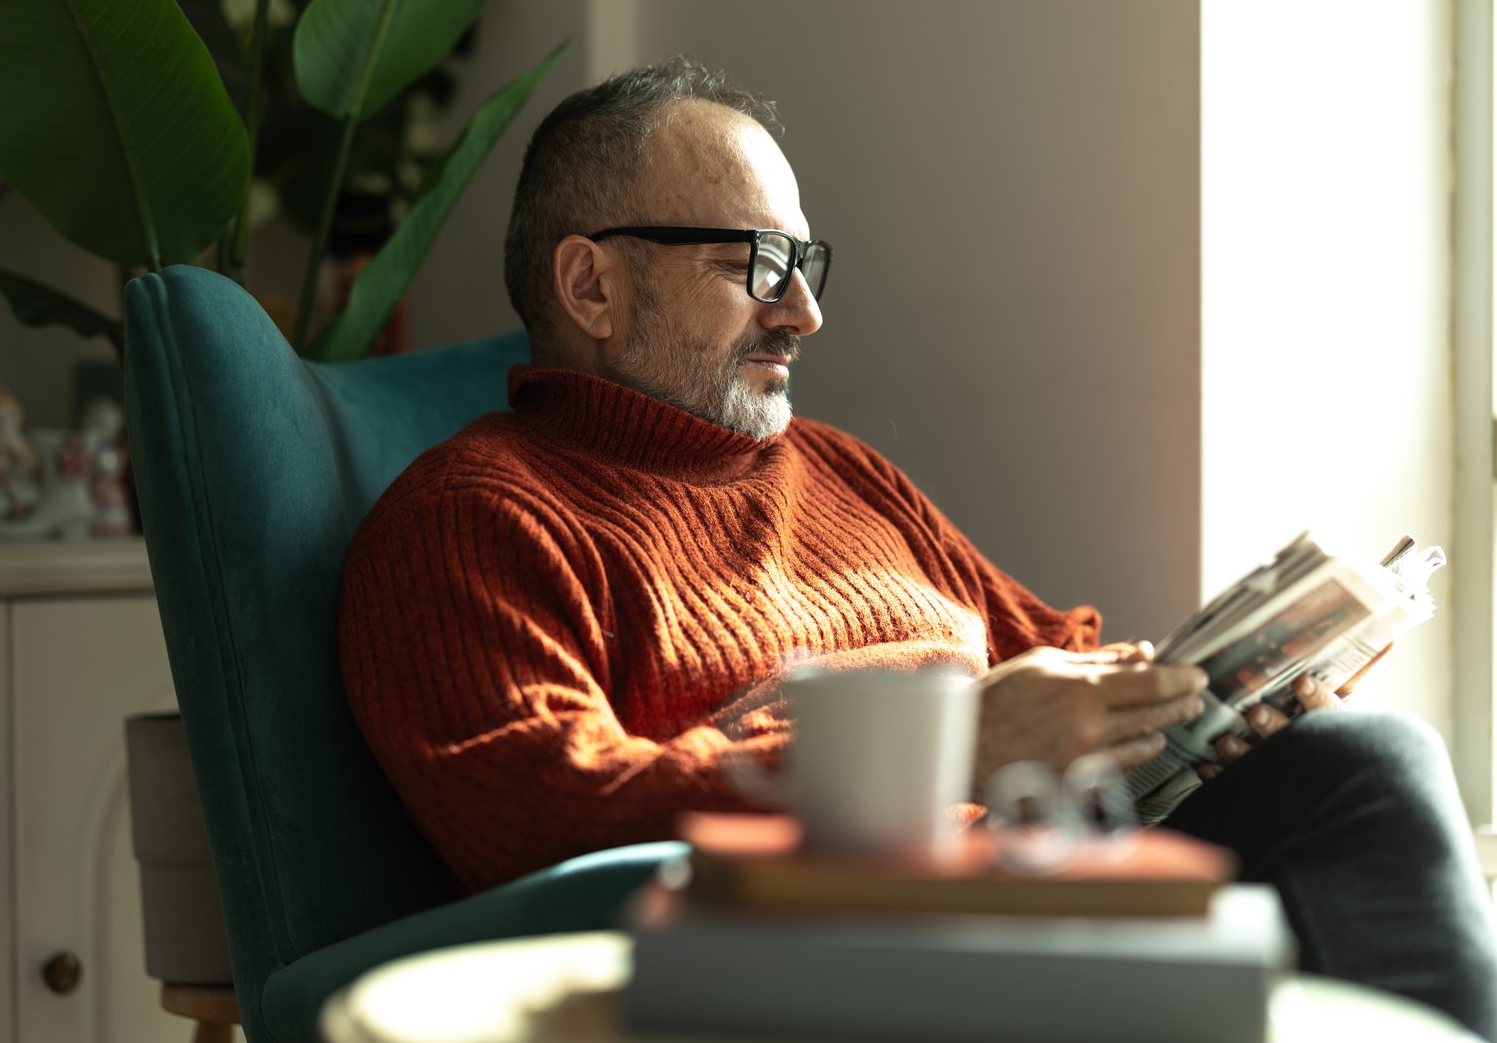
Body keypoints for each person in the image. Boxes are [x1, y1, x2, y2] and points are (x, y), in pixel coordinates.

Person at [339, 59, 1497, 1038]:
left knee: (1343, 753)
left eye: (804, 263)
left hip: (1041, 881)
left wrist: (1221, 692)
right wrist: (947, 747)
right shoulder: (469, 521)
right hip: (815, 949)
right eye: (753, 262)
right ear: (591, 283)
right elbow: (542, 817)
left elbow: (1053, 657)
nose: (802, 312)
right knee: (1364, 782)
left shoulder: (841, 473)